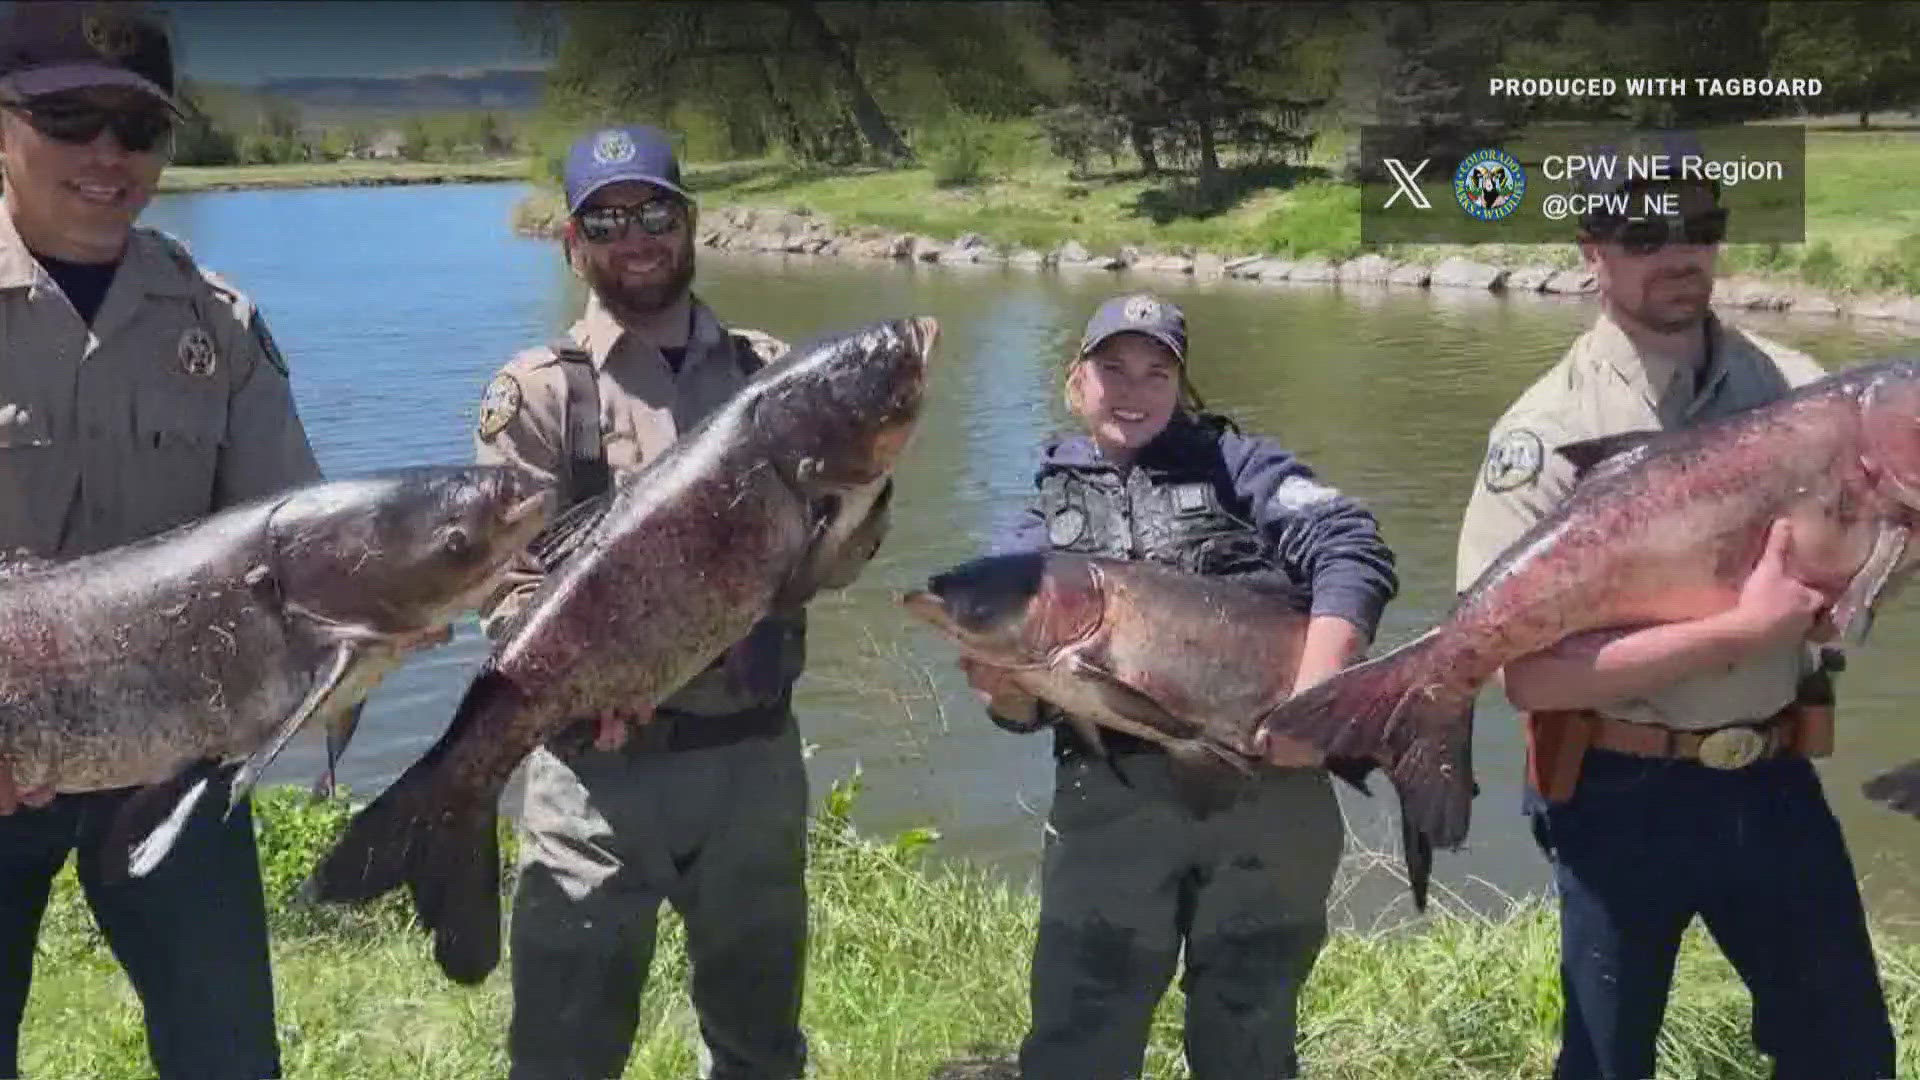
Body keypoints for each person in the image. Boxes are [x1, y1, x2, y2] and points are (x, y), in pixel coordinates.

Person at [1454, 136, 1898, 1080]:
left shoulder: (1796, 386)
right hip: (1619, 793)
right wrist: (1744, 632)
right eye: (1647, 231)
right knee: (1608, 1063)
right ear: (1591, 250)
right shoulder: (1541, 434)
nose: (1681, 252)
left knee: (1849, 1053)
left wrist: (1867, 576)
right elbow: (1529, 678)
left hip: (1776, 775)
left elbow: (1848, 582)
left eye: (1703, 226)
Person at [475, 123, 875, 1080]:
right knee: (563, 1048)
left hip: (753, 762)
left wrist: (865, 490)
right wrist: (586, 682)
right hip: (592, 778)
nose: (635, 236)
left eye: (653, 210)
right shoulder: (537, 394)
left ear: (689, 220)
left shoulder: (773, 370)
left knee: (759, 1039)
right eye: (605, 220)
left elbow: (832, 567)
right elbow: (502, 591)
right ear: (573, 241)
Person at [956, 293, 1398, 1080]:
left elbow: (1352, 543)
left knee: (1249, 1036)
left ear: (1183, 387)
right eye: (1112, 368)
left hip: (1270, 791)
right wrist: (1003, 690)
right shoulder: (1032, 530)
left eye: (1156, 372)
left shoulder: (1248, 470)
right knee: (1078, 1031)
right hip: (1109, 804)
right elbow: (1018, 709)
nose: (1133, 388)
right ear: (1075, 382)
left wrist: (1318, 696)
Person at [0, 2, 321, 1077]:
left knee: (227, 1055)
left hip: (174, 762)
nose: (107, 155)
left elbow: (298, 548)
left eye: (137, 130)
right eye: (70, 117)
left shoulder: (217, 322)